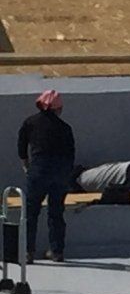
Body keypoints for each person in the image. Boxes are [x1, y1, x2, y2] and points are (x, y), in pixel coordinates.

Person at [17, 89, 75, 264]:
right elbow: (71, 154)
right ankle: (57, 252)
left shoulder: (30, 123)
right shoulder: (65, 128)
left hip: (39, 170)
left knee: (31, 212)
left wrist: (26, 164)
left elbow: (21, 145)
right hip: (60, 172)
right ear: (57, 108)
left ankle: (28, 252)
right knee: (56, 212)